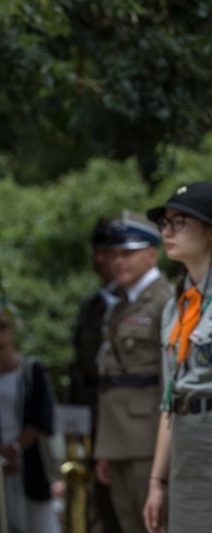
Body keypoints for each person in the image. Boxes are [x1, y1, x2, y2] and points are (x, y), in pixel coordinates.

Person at [93, 210, 171, 533]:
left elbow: (169, 380)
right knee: (129, 524)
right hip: (119, 439)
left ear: (152, 253)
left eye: (128, 253)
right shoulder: (123, 302)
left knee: (155, 525)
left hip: (149, 440)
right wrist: (106, 448)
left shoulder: (165, 301)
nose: (118, 262)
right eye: (114, 254)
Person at [142, 182, 212, 533]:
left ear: (210, 230)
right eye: (165, 223)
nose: (167, 232)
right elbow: (170, 400)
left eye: (180, 222)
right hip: (186, 445)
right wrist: (157, 481)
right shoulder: (177, 306)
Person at [0, 305, 60, 533]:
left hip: (30, 464)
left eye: (2, 326)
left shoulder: (32, 370)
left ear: (12, 328)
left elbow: (41, 417)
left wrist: (14, 449)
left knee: (38, 524)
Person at [69, 218, 122, 533]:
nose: (99, 259)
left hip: (121, 417)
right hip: (88, 415)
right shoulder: (93, 305)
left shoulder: (134, 304)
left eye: (107, 252)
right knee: (98, 505)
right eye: (97, 252)